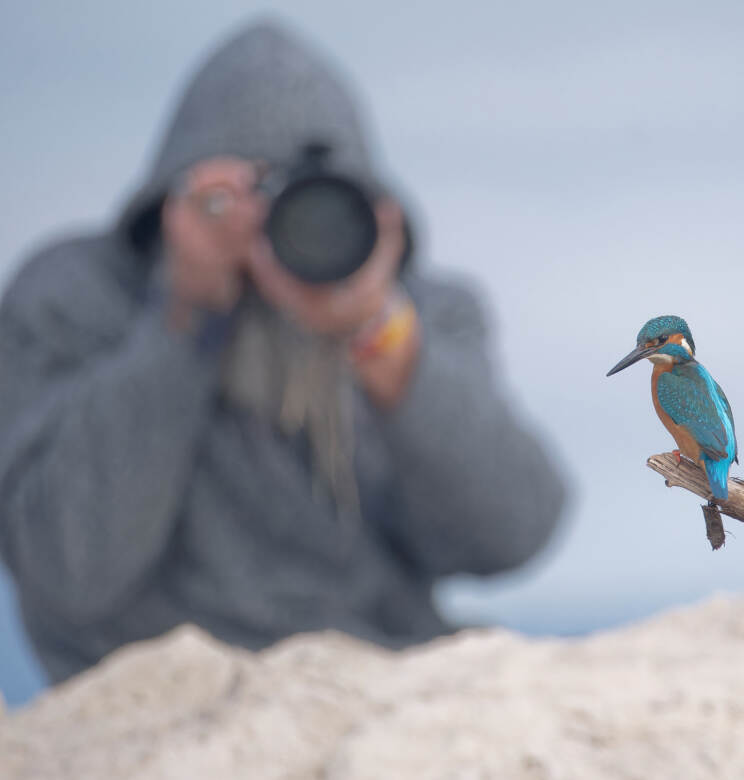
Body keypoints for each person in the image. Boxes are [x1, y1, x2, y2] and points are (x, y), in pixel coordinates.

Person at [0, 20, 567, 683]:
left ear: (374, 213)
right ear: (178, 206)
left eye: (316, 204)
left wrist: (382, 339)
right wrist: (183, 320)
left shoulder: (422, 315)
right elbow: (64, 565)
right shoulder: (78, 300)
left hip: (381, 685)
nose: (284, 231)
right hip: (151, 701)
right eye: (245, 202)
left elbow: (514, 533)